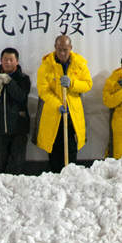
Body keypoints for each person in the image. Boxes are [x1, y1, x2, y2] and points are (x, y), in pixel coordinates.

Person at [35, 35, 92, 172]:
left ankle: (70, 179)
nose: (62, 53)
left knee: (71, 149)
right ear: (55, 48)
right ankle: (55, 181)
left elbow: (88, 84)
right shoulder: (46, 65)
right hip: (53, 115)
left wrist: (72, 84)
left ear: (71, 48)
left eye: (65, 50)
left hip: (72, 115)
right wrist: (57, 105)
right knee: (54, 150)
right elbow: (43, 90)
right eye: (59, 49)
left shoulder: (79, 63)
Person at [0, 47, 31, 174]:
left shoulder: (23, 78)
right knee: (3, 161)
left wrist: (10, 82)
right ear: (1, 61)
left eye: (11, 60)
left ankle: (17, 188)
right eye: (5, 59)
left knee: (16, 163)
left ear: (16, 62)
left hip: (18, 127)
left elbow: (21, 96)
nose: (8, 62)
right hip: (0, 127)